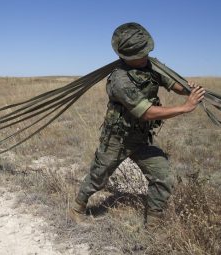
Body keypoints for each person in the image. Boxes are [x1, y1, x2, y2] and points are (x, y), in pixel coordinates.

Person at [69, 22, 206, 228]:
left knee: (163, 177)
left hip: (141, 138)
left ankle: (153, 226)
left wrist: (188, 90)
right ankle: (77, 208)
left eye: (147, 51)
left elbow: (171, 82)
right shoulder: (119, 80)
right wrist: (185, 107)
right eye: (142, 53)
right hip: (117, 139)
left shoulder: (151, 64)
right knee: (98, 177)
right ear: (127, 57)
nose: (147, 55)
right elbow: (146, 112)